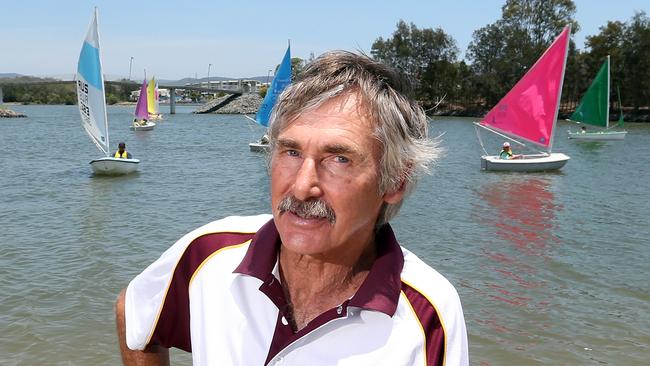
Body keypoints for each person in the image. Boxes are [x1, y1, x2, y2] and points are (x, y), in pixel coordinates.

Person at [115, 51, 468, 365]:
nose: (301, 187)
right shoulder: (209, 254)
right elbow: (133, 315)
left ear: (395, 182)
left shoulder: (426, 314)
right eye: (291, 152)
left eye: (340, 159)